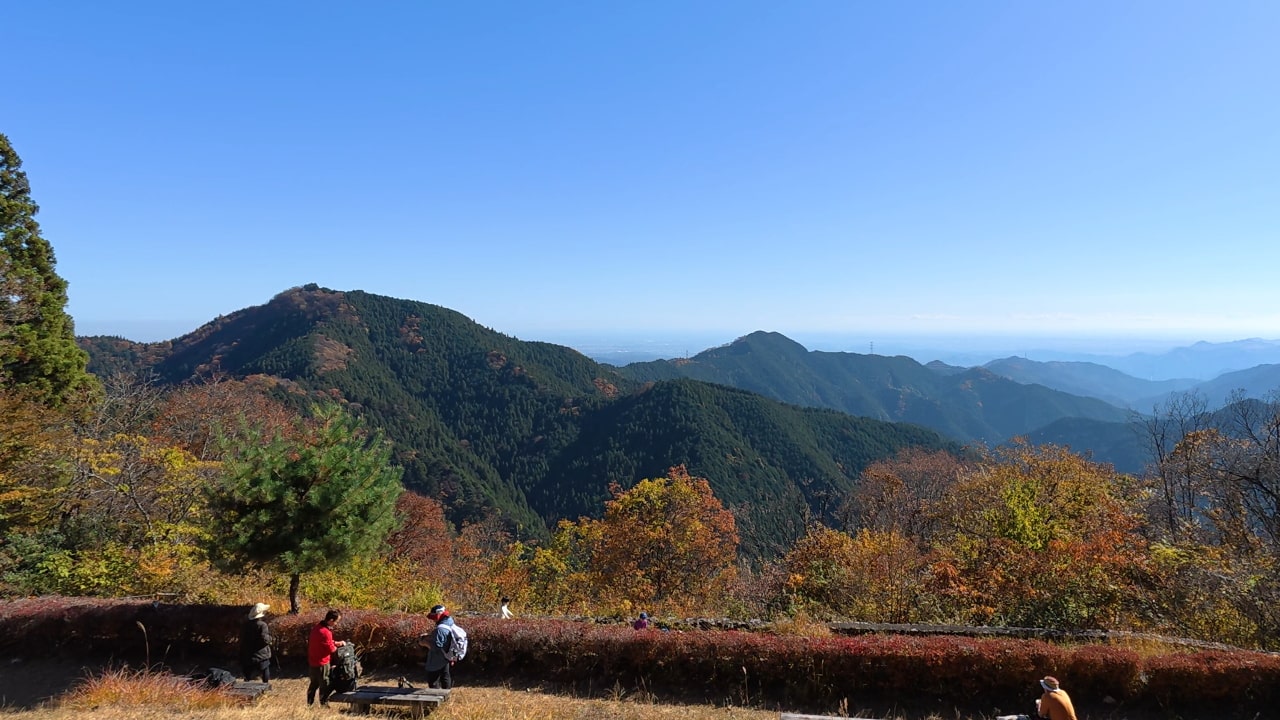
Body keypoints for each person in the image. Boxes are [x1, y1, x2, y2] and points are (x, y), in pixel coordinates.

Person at [307, 609, 347, 706]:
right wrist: (340, 649)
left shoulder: (317, 628)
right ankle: (323, 703)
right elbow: (331, 649)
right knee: (325, 683)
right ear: (331, 620)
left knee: (313, 684)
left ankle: (309, 703)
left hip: (313, 661)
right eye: (336, 621)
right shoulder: (326, 632)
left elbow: (324, 642)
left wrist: (337, 643)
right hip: (322, 663)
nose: (336, 624)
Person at [422, 604, 458, 689]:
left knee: (433, 679)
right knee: (445, 675)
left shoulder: (440, 629)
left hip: (438, 657)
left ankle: (435, 695)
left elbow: (437, 647)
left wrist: (424, 643)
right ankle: (446, 694)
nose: (433, 620)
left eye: (434, 617)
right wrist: (430, 636)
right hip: (447, 654)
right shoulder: (449, 621)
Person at [239, 602, 273, 684]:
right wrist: (270, 639)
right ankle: (265, 684)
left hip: (248, 653)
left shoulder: (245, 624)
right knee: (265, 670)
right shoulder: (262, 625)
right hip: (261, 653)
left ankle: (246, 685)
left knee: (248, 672)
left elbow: (242, 637)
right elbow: (265, 639)